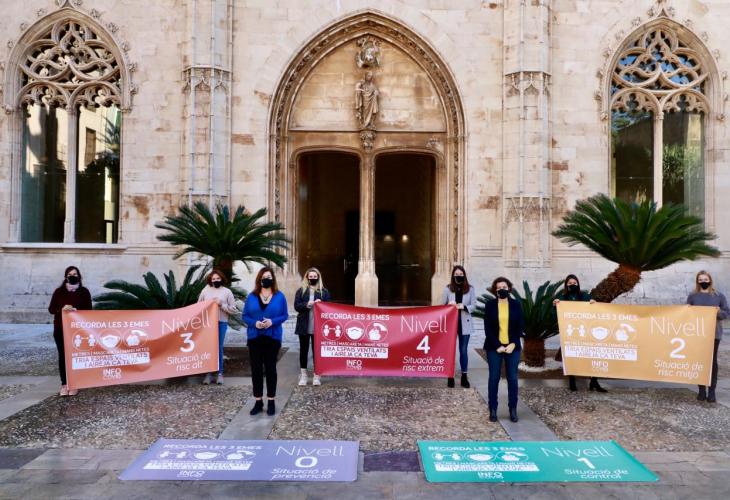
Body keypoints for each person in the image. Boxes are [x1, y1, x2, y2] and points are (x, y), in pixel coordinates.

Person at [243, 267, 288, 416]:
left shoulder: (280, 296)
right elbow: (245, 316)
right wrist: (254, 323)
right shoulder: (251, 296)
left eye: (269, 276)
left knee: (270, 369)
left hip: (272, 337)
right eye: (263, 277)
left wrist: (272, 321)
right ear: (259, 279)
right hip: (254, 337)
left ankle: (271, 401)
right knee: (256, 370)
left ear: (273, 279)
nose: (266, 279)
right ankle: (258, 401)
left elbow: (285, 315)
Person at [553, 274, 606, 392]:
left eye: (574, 283)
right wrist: (555, 306)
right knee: (571, 356)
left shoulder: (585, 296)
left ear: (578, 284)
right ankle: (572, 380)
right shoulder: (562, 298)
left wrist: (593, 303)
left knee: (590, 356)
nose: (572, 285)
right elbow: (556, 316)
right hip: (570, 332)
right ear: (566, 285)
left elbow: (593, 311)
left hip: (585, 330)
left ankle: (594, 381)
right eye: (570, 283)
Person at [482, 277, 524, 423]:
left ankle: (513, 409)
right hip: (494, 347)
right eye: (499, 287)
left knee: (512, 378)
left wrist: (513, 343)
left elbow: (520, 325)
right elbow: (487, 328)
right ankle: (493, 409)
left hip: (513, 347)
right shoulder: (490, 305)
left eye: (504, 287)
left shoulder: (516, 304)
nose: (502, 290)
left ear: (509, 288)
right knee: (494, 378)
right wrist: (497, 345)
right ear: (495, 290)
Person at [48, 266, 92, 396]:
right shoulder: (59, 292)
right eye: (70, 274)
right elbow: (51, 309)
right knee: (62, 356)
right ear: (65, 276)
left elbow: (89, 310)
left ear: (79, 276)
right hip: (60, 329)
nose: (72, 276)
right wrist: (61, 309)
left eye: (75, 274)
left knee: (75, 357)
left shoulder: (84, 292)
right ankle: (64, 384)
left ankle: (75, 383)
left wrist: (75, 310)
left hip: (77, 331)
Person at [687, 270, 729, 403]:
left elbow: (727, 313)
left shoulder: (718, 296)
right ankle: (701, 391)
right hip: (698, 334)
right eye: (700, 280)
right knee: (699, 361)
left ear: (710, 280)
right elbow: (687, 314)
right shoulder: (693, 296)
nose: (703, 282)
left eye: (705, 279)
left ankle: (712, 392)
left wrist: (718, 312)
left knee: (712, 362)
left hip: (714, 333)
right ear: (697, 281)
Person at [197, 269, 239, 385]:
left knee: (219, 347)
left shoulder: (227, 292)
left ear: (222, 279)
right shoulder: (205, 290)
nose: (216, 280)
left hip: (221, 322)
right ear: (210, 280)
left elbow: (233, 310)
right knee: (209, 348)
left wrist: (221, 304)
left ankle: (220, 373)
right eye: (213, 279)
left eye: (218, 278)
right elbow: (198, 305)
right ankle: (209, 373)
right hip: (208, 324)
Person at [294, 268, 331, 386]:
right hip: (304, 325)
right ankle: (303, 375)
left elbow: (329, 308)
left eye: (315, 276)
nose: (313, 278)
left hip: (318, 326)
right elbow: (296, 306)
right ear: (307, 277)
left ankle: (317, 375)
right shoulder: (301, 291)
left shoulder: (324, 291)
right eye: (311, 276)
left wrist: (322, 304)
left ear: (318, 277)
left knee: (317, 352)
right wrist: (307, 304)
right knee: (303, 351)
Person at [441, 265, 476, 388]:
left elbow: (474, 305)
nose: (459, 276)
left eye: (461, 274)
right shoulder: (448, 289)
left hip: (465, 322)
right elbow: (442, 306)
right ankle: (450, 376)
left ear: (464, 275)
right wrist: (449, 306)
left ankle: (464, 377)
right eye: (456, 274)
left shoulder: (470, 289)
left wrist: (464, 307)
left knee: (463, 350)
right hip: (451, 323)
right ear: (453, 275)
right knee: (450, 350)